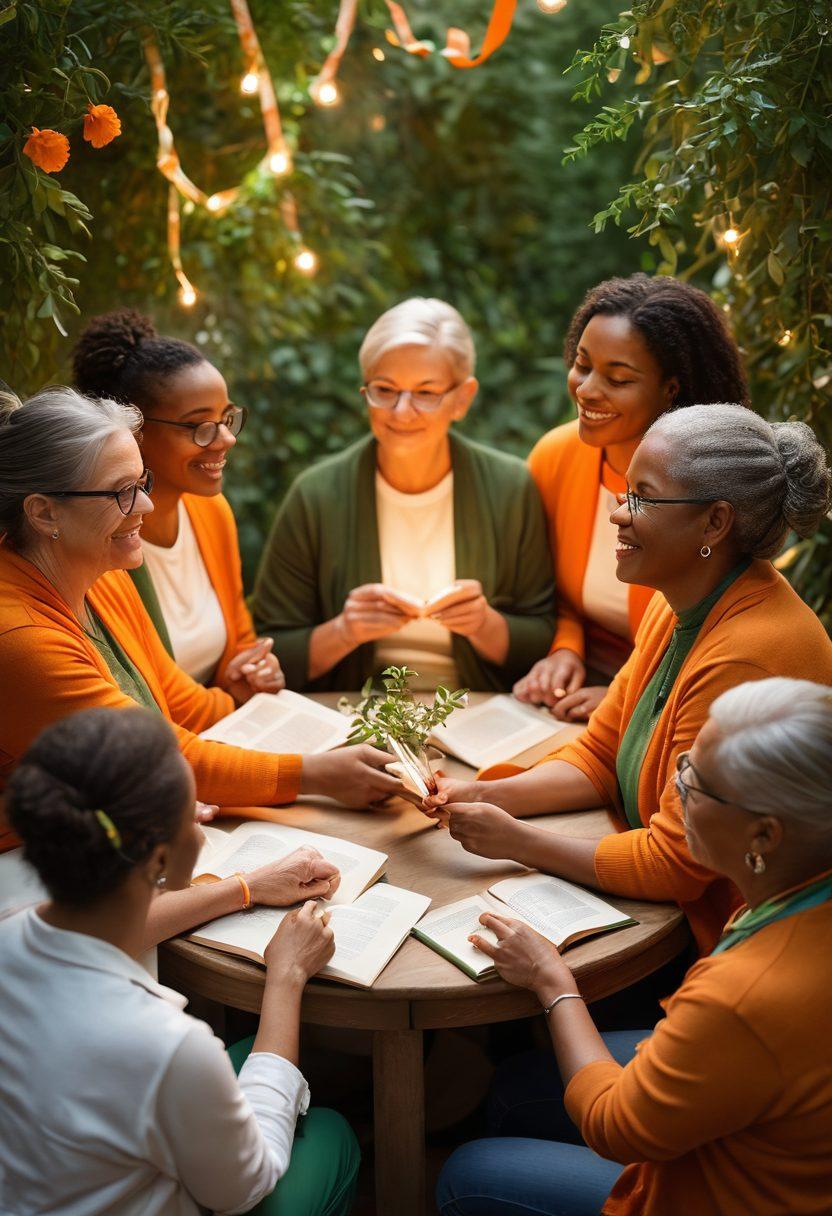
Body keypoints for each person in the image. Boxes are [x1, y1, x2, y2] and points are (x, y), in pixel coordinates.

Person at [424, 403, 832, 953]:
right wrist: (486, 793)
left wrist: (515, 841)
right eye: (624, 491)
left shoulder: (746, 658)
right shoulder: (678, 599)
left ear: (714, 522)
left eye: (642, 497)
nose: (618, 513)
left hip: (723, 943)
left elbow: (675, 862)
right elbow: (601, 751)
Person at [436, 678, 832, 1216]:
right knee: (516, 1083)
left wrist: (552, 981)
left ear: (764, 836)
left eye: (698, 784)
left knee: (467, 1172)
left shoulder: (743, 996)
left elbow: (614, 1127)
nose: (675, 789)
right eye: (685, 762)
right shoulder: (799, 897)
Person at [0, 387, 402, 852]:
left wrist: (248, 707)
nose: (146, 506)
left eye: (142, 483)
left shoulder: (99, 573)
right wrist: (314, 774)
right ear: (44, 512)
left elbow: (179, 703)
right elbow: (159, 758)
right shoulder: (19, 637)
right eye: (122, 492)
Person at [0, 705, 360, 1216]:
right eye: (193, 812)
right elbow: (244, 1189)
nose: (201, 823)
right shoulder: (165, 1044)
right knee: (331, 1131)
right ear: (162, 859)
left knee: (245, 1056)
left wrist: (248, 886)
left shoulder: (12, 932)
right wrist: (288, 975)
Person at [252, 298, 555, 693]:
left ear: (462, 398)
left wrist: (484, 624)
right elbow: (268, 649)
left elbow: (545, 637)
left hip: (478, 704)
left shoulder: (511, 488)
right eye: (385, 390)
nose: (401, 411)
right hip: (350, 708)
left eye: (425, 392)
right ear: (365, 391)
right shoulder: (315, 495)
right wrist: (345, 630)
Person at [515, 275, 749, 722]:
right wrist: (564, 649)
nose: (586, 389)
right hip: (572, 690)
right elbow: (543, 592)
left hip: (679, 698)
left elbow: (721, 630)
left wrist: (622, 699)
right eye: (582, 364)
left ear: (672, 388)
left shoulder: (710, 491)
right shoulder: (553, 458)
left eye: (618, 378)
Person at [73, 308, 283, 698]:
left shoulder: (212, 511)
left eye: (227, 418)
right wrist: (232, 701)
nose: (226, 439)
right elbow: (151, 695)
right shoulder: (100, 543)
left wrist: (254, 670)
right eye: (200, 426)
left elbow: (239, 639)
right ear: (132, 432)